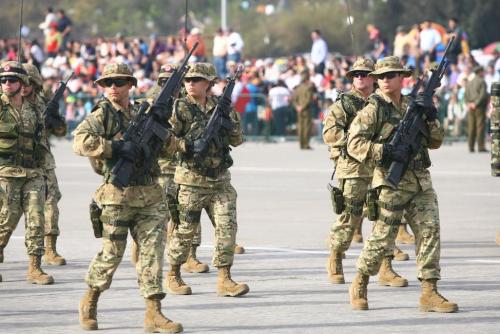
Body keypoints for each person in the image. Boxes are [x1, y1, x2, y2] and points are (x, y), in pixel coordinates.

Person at [73, 62, 182, 332]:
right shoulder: (103, 115)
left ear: (130, 85)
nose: (113, 88)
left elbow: (170, 149)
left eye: (119, 82)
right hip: (116, 196)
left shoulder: (143, 113)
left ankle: (154, 314)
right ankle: (90, 300)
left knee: (153, 255)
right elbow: (80, 141)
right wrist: (116, 147)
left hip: (149, 195)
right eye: (108, 83)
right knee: (111, 254)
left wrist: (162, 132)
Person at [347, 56, 458, 313]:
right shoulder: (374, 108)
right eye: (381, 77)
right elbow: (354, 144)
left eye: (390, 75)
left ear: (402, 77)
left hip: (420, 182)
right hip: (390, 181)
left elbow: (436, 141)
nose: (385, 80)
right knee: (381, 239)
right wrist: (384, 152)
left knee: (430, 233)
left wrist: (431, 116)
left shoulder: (414, 104)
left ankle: (429, 292)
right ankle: (360, 282)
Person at [165, 62, 248, 297]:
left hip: (220, 180)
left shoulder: (221, 108)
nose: (191, 83)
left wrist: (228, 125)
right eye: (188, 80)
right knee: (184, 232)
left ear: (209, 83)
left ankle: (225, 279)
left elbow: (238, 139)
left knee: (227, 228)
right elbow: (165, 140)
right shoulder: (178, 108)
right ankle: (173, 274)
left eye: (197, 79)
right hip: (191, 180)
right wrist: (188, 145)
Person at [323, 58, 408, 287]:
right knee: (350, 216)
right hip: (353, 166)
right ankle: (336, 257)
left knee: (385, 217)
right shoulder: (344, 104)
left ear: (375, 77)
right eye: (357, 74)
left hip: (381, 165)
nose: (361, 77)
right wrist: (354, 143)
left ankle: (386, 267)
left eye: (366, 73)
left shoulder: (384, 102)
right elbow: (330, 134)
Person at [0, 61, 54, 285]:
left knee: (36, 220)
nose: (7, 84)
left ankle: (35, 268)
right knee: (5, 221)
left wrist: (45, 175)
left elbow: (41, 145)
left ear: (22, 83)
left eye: (12, 80)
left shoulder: (33, 111)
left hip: (32, 174)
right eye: (3, 80)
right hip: (6, 173)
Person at [22, 63, 67, 266]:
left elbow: (60, 132)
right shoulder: (7, 104)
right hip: (14, 162)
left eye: (28, 82)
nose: (23, 86)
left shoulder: (43, 102)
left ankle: (50, 249)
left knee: (50, 203)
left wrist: (55, 118)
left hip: (43, 161)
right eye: (20, 82)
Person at [464, 66, 489, 152]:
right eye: (483, 71)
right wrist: (476, 103)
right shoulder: (482, 82)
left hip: (471, 106)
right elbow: (483, 95)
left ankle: (471, 147)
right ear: (480, 72)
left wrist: (469, 103)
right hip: (479, 107)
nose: (484, 73)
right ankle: (481, 147)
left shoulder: (469, 82)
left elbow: (465, 95)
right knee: (480, 127)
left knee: (471, 128)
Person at [292, 70, 316, 149]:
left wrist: (297, 107)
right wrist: (302, 107)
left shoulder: (297, 88)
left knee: (300, 127)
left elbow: (294, 99)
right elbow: (308, 99)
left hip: (299, 110)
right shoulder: (308, 88)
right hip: (306, 109)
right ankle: (306, 144)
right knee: (306, 127)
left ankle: (301, 144)